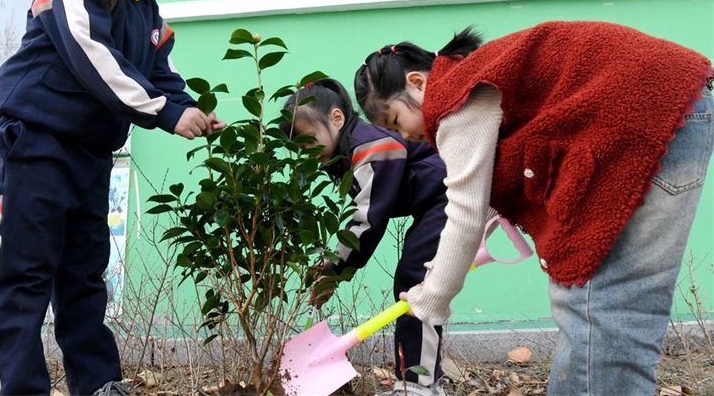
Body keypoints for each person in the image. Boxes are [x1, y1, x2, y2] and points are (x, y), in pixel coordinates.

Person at [353, 20, 713, 395]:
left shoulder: (453, 98)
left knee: (600, 311)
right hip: (677, 105)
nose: (405, 136)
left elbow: (464, 211)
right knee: (617, 310)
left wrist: (434, 295)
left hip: (645, 114)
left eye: (396, 120)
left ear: (417, 82)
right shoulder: (475, 79)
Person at [0, 0, 224, 396]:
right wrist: (163, 112)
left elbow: (160, 76)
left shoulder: (148, 13)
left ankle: (99, 385)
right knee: (21, 278)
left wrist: (189, 110)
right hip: (32, 145)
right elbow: (97, 60)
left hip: (88, 157)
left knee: (84, 281)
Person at [283, 78, 449, 396]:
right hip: (434, 202)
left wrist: (334, 270)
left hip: (450, 195)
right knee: (414, 280)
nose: (308, 153)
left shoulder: (372, 147)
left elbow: (369, 221)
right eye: (301, 148)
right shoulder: (349, 152)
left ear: (336, 118)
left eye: (310, 141)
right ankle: (422, 380)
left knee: (417, 282)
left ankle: (421, 385)